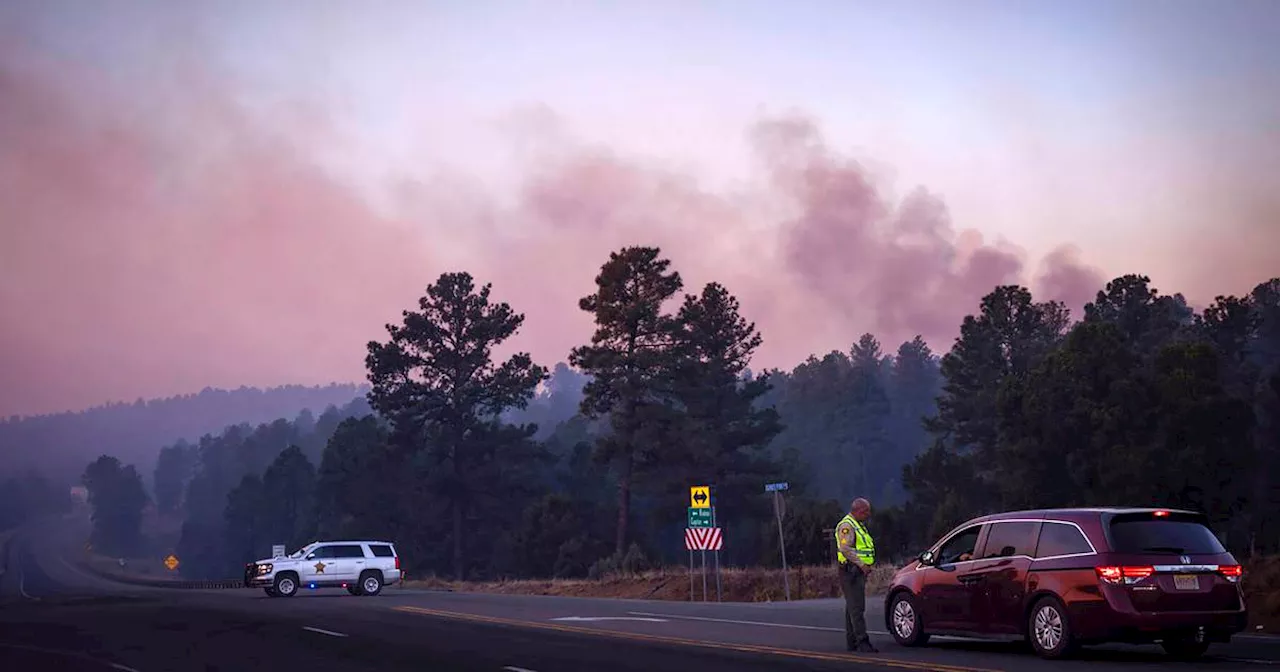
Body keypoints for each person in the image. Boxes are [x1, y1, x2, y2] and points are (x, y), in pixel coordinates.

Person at [835, 497, 877, 653]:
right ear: (858, 511)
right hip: (850, 571)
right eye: (866, 511)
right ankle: (862, 641)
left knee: (852, 607)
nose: (868, 514)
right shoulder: (847, 526)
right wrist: (862, 564)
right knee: (857, 608)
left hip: (857, 571)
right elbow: (845, 549)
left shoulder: (858, 525)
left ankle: (851, 641)